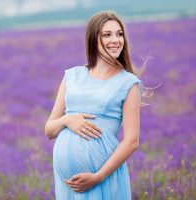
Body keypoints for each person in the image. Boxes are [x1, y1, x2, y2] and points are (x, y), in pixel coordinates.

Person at [45, 10, 143, 199]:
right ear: (93, 39)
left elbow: (132, 141)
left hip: (103, 179)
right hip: (68, 187)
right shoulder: (72, 76)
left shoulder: (128, 83)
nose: (115, 40)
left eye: (119, 34)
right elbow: (49, 130)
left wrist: (98, 177)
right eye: (107, 34)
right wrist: (67, 119)